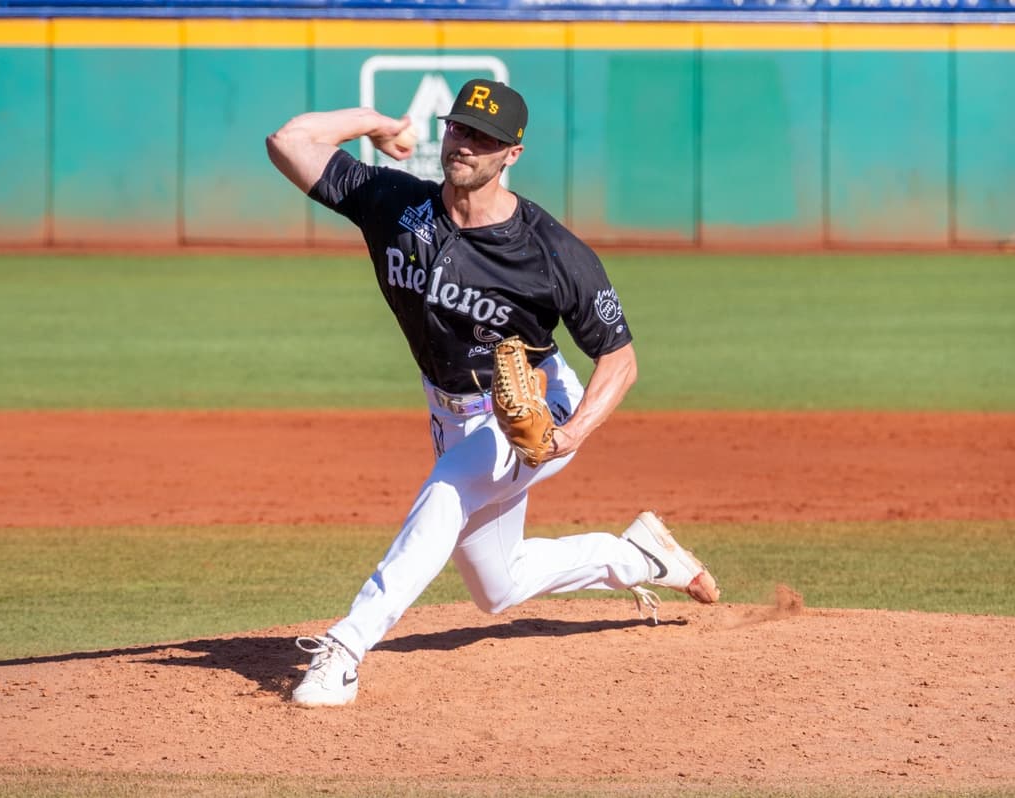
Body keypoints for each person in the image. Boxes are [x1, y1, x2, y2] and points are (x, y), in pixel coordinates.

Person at [266, 78, 719, 707]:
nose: (465, 144)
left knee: (449, 491)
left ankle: (345, 648)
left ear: (511, 154)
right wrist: (376, 122)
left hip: (532, 412)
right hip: (451, 416)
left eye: (485, 137)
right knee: (497, 586)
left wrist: (568, 435)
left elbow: (620, 359)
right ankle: (638, 558)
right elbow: (288, 142)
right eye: (459, 127)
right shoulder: (395, 204)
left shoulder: (551, 252)